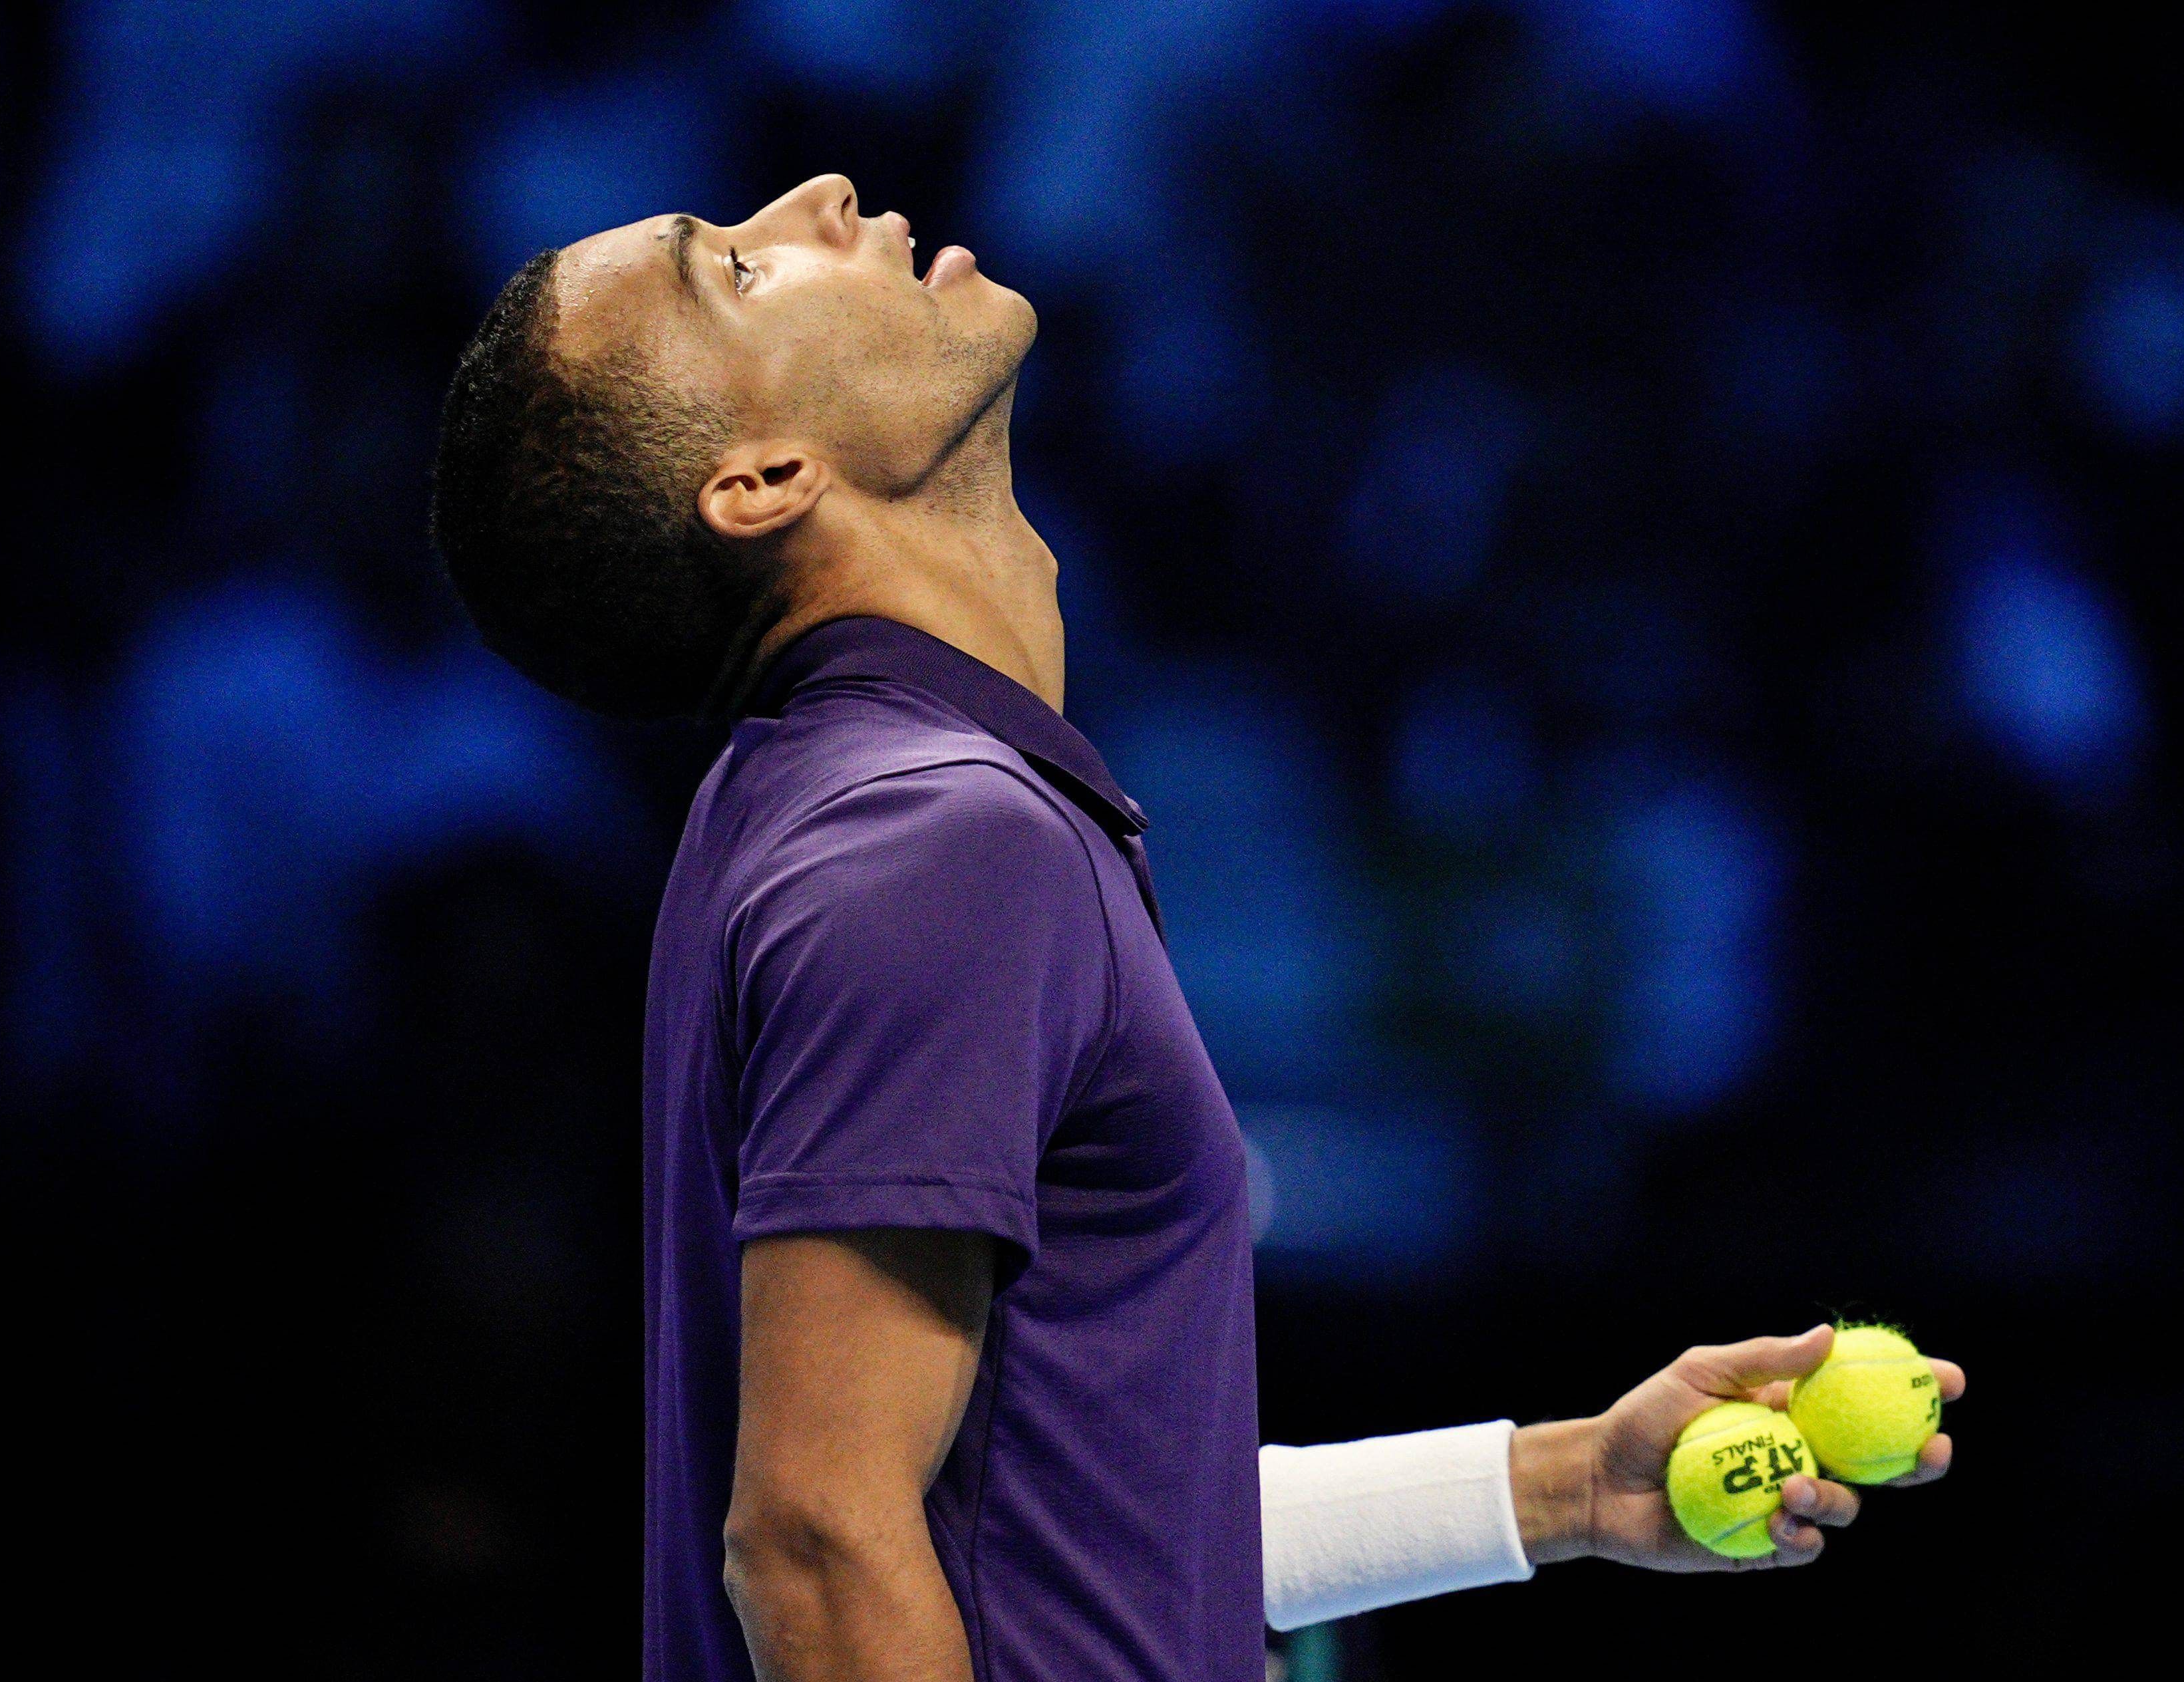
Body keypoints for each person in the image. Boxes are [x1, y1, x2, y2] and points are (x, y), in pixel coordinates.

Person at [430, 174, 1962, 1682]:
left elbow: (1060, 1537)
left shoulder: (850, 809)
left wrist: (1561, 1486)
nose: (816, 197)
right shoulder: (927, 842)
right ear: (760, 479)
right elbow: (814, 1544)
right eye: (738, 275)